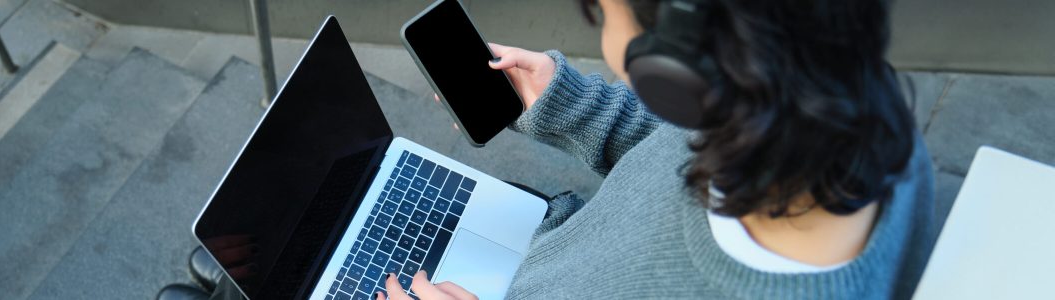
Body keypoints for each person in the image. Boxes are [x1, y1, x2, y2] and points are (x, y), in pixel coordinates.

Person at [377, 0, 935, 299]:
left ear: (675, 69)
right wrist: (573, 104)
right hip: (557, 245)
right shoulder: (840, 101)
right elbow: (678, 155)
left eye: (604, 10)